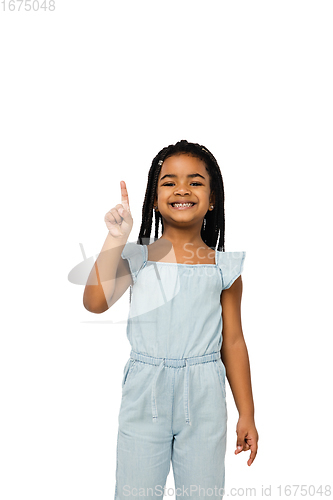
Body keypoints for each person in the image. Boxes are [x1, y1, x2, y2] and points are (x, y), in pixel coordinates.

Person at [83, 139, 259, 500]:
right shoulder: (138, 258)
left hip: (205, 395)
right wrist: (116, 237)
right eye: (169, 182)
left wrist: (247, 413)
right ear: (154, 198)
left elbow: (234, 341)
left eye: (195, 182)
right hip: (145, 391)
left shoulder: (223, 268)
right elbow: (95, 302)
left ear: (213, 200)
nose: (182, 189)